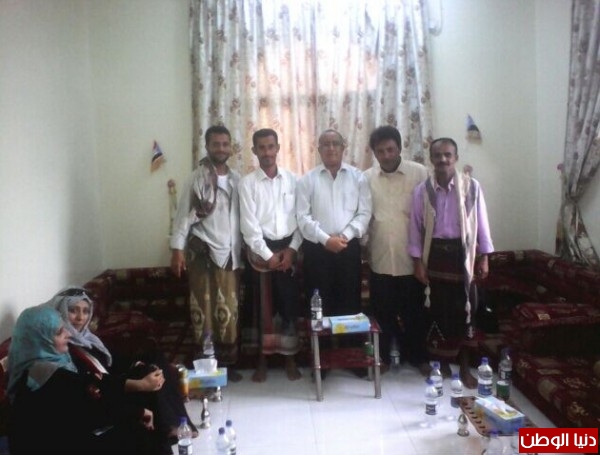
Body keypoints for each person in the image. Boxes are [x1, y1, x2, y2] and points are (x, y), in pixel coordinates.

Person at [45, 286, 197, 453]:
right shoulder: (63, 348)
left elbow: (111, 361)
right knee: (146, 375)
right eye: (73, 311)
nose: (80, 318)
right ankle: (167, 427)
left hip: (112, 383)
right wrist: (140, 383)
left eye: (85, 311)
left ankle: (173, 423)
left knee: (153, 359)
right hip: (105, 395)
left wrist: (137, 364)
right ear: (60, 313)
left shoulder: (88, 339)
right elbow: (95, 382)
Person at [7, 305, 158, 455]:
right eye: (59, 332)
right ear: (40, 340)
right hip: (50, 446)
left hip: (61, 436)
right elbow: (92, 408)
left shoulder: (37, 364)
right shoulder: (46, 374)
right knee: (136, 434)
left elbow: (88, 385)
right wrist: (138, 412)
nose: (68, 334)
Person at [408, 137, 494, 388]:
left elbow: (482, 223)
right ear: (431, 159)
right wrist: (417, 262)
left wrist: (485, 257)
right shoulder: (423, 191)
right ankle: (441, 364)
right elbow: (415, 228)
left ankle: (465, 368)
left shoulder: (472, 187)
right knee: (436, 312)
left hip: (463, 258)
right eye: (438, 155)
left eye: (448, 155)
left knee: (466, 312)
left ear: (456, 158)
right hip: (434, 257)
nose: (443, 159)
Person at [170, 125, 243, 382]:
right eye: (216, 144)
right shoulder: (196, 178)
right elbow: (182, 216)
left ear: (231, 147)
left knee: (229, 310)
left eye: (225, 144)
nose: (221, 149)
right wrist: (177, 250)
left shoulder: (237, 180)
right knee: (203, 310)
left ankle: (228, 365)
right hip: (202, 251)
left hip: (230, 254)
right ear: (207, 146)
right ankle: (206, 368)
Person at [364, 126, 430, 376]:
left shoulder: (419, 173)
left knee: (415, 312)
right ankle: (382, 358)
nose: (386, 155)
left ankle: (418, 357)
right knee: (382, 314)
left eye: (390, 149)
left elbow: (427, 215)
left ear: (400, 148)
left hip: (411, 259)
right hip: (380, 257)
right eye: (380, 151)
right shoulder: (366, 178)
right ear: (374, 153)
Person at [239, 128, 303, 383]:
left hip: (288, 251)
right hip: (259, 253)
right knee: (261, 309)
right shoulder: (247, 184)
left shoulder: (293, 180)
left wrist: (292, 250)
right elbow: (249, 226)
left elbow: (302, 219)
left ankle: (290, 359)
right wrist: (268, 255)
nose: (266, 152)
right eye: (261, 148)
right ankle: (261, 361)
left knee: (288, 306)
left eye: (270, 147)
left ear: (278, 148)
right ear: (254, 151)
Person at [296, 129, 372, 318]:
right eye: (326, 144)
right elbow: (302, 217)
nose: (331, 148)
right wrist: (326, 240)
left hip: (348, 248)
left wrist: (344, 236)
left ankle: (349, 338)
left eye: (335, 144)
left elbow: (364, 213)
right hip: (317, 250)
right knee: (319, 305)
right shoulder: (307, 180)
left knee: (349, 303)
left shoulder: (358, 177)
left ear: (343, 147)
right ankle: (319, 338)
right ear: (319, 150)